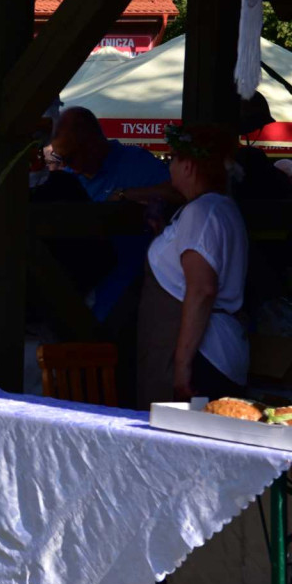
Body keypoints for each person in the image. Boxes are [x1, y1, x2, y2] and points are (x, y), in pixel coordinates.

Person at [136, 125, 248, 409]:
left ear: (188, 165)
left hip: (203, 356)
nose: (169, 166)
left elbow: (202, 289)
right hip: (210, 352)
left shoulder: (202, 212)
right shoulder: (211, 209)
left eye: (172, 159)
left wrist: (182, 366)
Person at [51, 106, 180, 323]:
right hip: (80, 304)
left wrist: (125, 195)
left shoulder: (135, 163)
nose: (65, 164)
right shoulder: (68, 178)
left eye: (69, 157)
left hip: (132, 301)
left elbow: (179, 192)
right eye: (60, 157)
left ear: (91, 143)